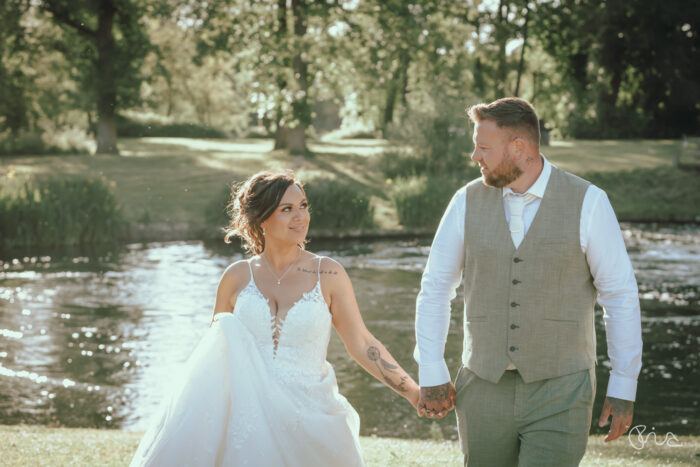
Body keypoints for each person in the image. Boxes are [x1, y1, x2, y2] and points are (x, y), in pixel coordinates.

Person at [131, 170, 419, 466]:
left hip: (310, 416)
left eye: (304, 206)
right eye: (287, 209)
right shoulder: (236, 278)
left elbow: (361, 342)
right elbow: (214, 359)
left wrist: (413, 392)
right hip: (247, 421)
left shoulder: (329, 274)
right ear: (262, 218)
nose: (301, 217)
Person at [414, 97, 643, 466]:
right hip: (483, 387)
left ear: (519, 147)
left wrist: (623, 385)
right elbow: (436, 289)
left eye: (484, 147)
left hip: (562, 389)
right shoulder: (465, 201)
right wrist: (432, 369)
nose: (475, 156)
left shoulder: (589, 202)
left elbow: (619, 297)